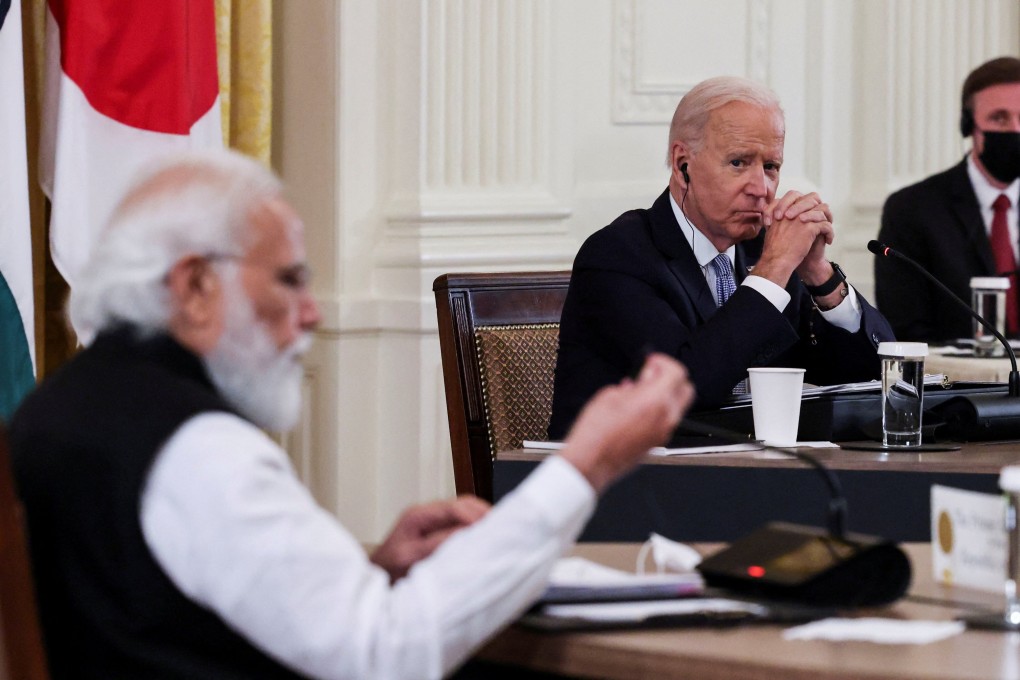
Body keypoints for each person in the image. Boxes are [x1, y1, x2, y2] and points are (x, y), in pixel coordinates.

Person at [9, 150, 695, 680]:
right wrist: (584, 466)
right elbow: (385, 656)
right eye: (289, 279)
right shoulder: (196, 446)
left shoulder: (62, 408)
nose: (312, 313)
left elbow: (159, 603)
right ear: (193, 286)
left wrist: (369, 571)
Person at [548, 76, 892, 439]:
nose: (761, 189)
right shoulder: (618, 256)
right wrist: (772, 271)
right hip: (630, 480)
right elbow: (687, 388)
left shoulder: (766, 252)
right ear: (683, 165)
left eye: (771, 167)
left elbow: (874, 374)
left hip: (750, 476)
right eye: (739, 163)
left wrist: (820, 275)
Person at [876, 56, 1020, 342]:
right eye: (999, 118)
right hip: (957, 382)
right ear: (969, 125)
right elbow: (906, 329)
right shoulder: (911, 209)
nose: (1015, 130)